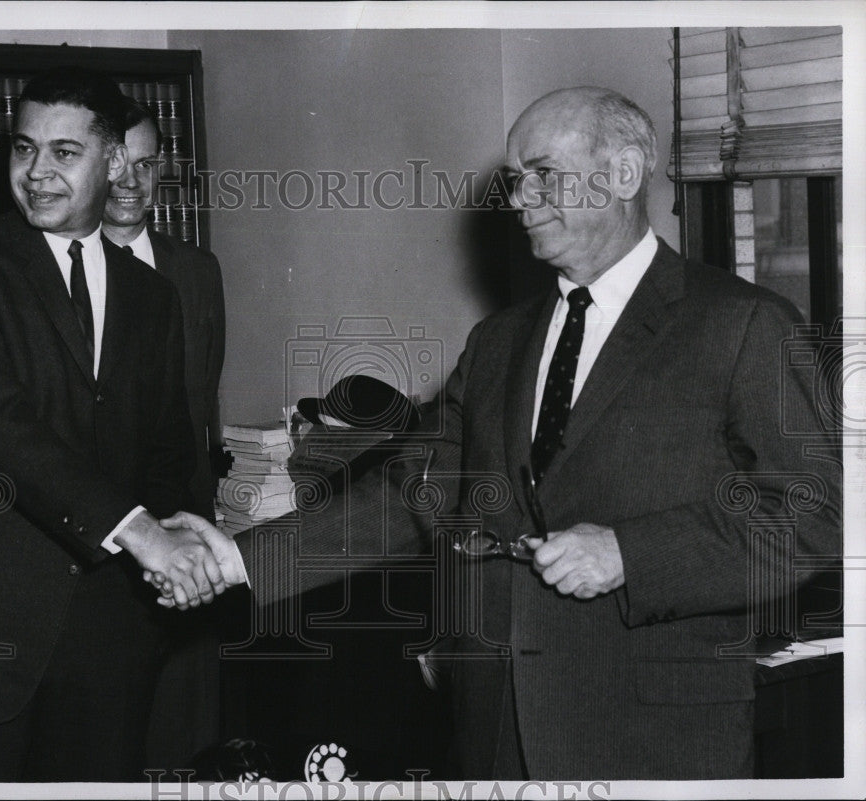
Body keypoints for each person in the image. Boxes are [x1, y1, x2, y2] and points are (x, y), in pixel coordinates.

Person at [156, 86, 842, 779]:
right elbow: (408, 494)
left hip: (653, 734)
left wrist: (631, 553)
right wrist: (240, 557)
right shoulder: (497, 342)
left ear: (626, 174)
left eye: (544, 175)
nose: (520, 200)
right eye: (516, 181)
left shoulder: (742, 323)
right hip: (493, 729)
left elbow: (817, 515)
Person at [0, 67, 228, 782]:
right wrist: (143, 533)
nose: (35, 173)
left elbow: (168, 451)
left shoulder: (154, 297)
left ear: (111, 163)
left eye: (63, 153)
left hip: (107, 651)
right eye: (23, 148)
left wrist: (183, 545)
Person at [101, 95, 227, 766]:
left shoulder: (197, 271)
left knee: (185, 731)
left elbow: (201, 403)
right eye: (115, 160)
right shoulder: (57, 272)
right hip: (97, 534)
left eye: (145, 163)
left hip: (188, 531)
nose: (129, 181)